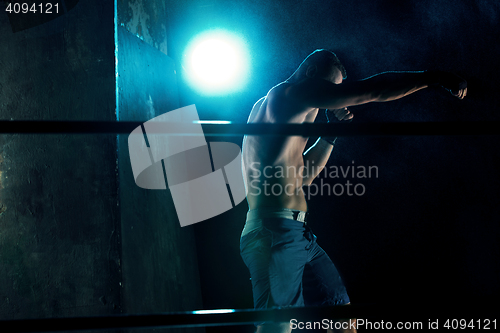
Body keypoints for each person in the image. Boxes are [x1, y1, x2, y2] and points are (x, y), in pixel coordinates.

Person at [240, 49, 467, 333]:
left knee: (342, 319)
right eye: (330, 88)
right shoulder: (290, 95)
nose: (332, 97)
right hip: (275, 233)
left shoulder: (278, 110)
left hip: (296, 234)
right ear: (310, 73)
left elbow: (300, 177)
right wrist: (431, 78)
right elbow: (371, 91)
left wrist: (330, 132)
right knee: (277, 328)